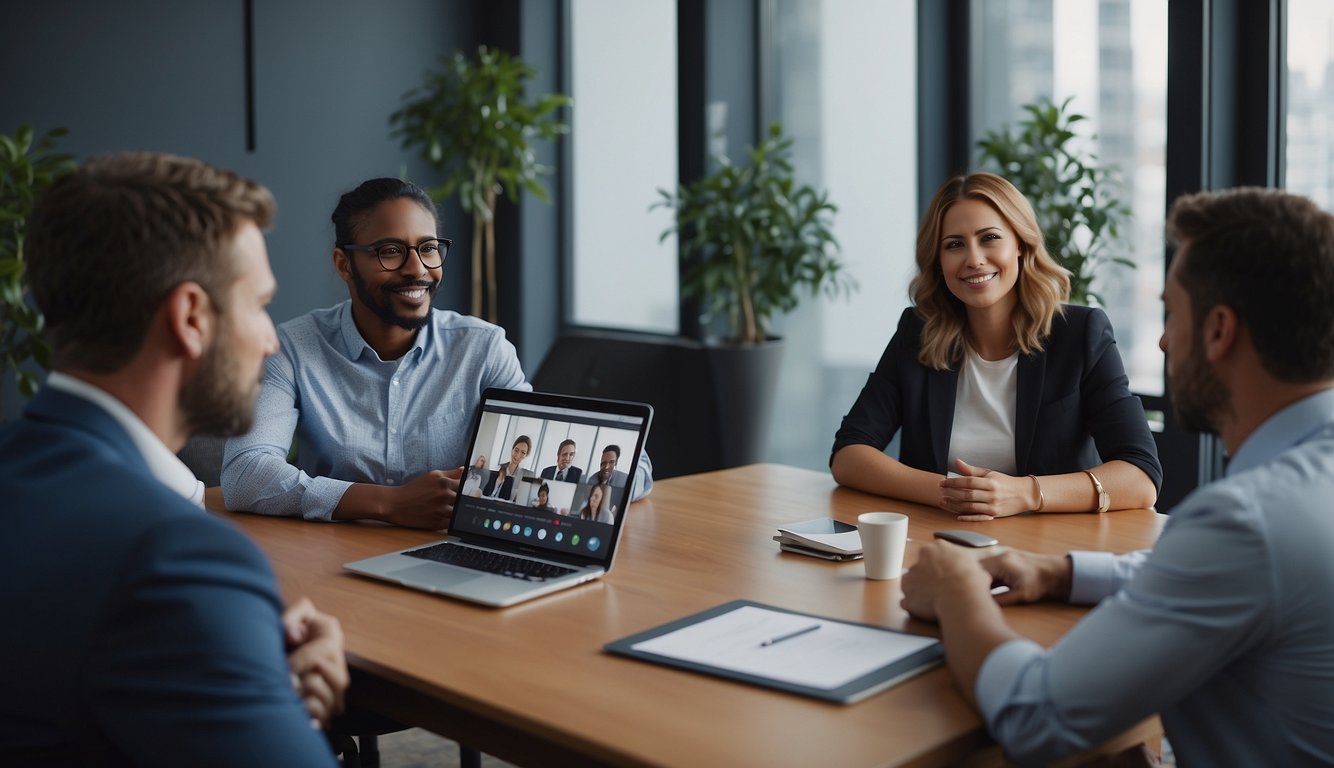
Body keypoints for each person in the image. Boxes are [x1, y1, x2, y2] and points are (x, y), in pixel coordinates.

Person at [900, 187, 1334, 765]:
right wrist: (1062, 573)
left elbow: (1037, 716)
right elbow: (1217, 575)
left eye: (1171, 314)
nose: (1161, 340)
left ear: (1218, 331)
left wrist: (956, 593)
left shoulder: (1246, 521)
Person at [1, 152, 346, 764]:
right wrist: (279, 701)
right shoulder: (178, 559)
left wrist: (231, 650)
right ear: (191, 317)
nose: (269, 340)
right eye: (258, 304)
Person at [220, 178, 654, 529]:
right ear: (343, 264)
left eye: (428, 248)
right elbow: (244, 475)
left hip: (449, 556)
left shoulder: (483, 348)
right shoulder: (293, 348)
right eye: (390, 251)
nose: (417, 268)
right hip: (332, 561)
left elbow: (624, 470)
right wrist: (389, 504)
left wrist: (609, 475)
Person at [831, 172, 1160, 520]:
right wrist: (951, 493)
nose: (973, 259)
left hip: (1048, 553)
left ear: (1019, 243)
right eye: (954, 244)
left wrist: (1026, 493)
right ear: (939, 262)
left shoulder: (1080, 334)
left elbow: (1140, 477)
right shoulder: (918, 333)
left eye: (989, 238)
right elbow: (849, 454)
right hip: (939, 542)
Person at [484, 435, 532, 502]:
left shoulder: (524, 477)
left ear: (526, 455)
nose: (517, 455)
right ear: (512, 449)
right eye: (516, 450)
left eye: (523, 453)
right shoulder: (498, 468)